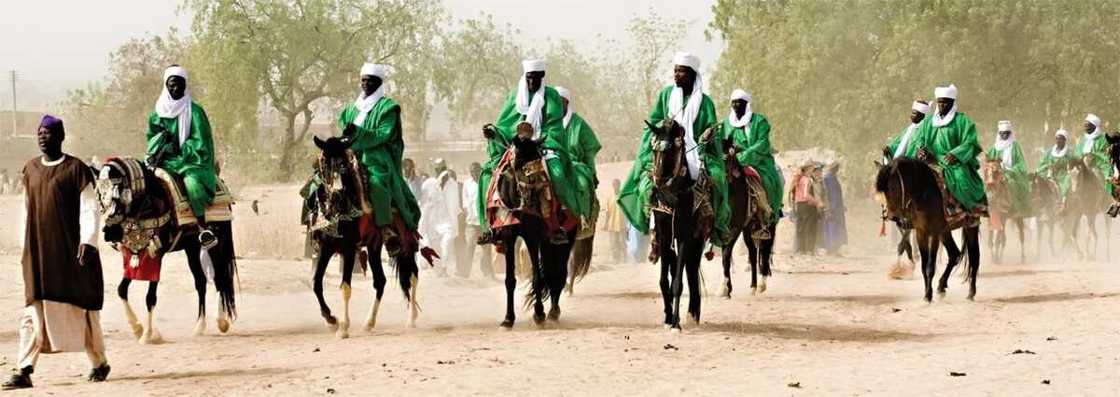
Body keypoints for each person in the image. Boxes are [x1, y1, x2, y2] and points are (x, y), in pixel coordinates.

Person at [4, 115, 109, 390]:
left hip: (72, 253)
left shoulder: (76, 169)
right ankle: (24, 369)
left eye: (48, 133)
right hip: (39, 253)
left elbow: (90, 208)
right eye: (39, 132)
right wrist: (24, 246)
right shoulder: (30, 169)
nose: (42, 137)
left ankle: (99, 362)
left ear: (60, 137)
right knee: (32, 310)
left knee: (85, 310)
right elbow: (27, 210)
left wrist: (88, 240)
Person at [616, 51, 730, 250]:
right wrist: (665, 127)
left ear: (692, 75)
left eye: (682, 72)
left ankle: (712, 226)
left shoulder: (705, 102)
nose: (676, 75)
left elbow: (711, 130)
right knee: (645, 184)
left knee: (718, 178)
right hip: (667, 149)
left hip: (697, 151)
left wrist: (707, 136)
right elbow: (653, 121)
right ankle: (653, 227)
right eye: (675, 71)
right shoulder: (666, 95)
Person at [478, 59, 582, 245]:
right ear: (525, 77)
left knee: (557, 174)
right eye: (529, 78)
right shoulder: (514, 96)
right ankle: (489, 227)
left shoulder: (551, 97)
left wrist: (538, 142)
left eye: (536, 78)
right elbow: (504, 125)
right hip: (516, 146)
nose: (532, 82)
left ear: (542, 77)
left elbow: (554, 128)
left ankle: (557, 222)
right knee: (487, 175)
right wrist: (494, 133)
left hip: (542, 147)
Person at [337, 63, 423, 254]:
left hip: (375, 157)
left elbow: (382, 134)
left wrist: (358, 132)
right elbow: (344, 126)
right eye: (363, 80)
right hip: (351, 154)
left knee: (377, 184)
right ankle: (320, 226)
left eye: (370, 80)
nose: (365, 84)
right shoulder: (351, 109)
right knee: (320, 179)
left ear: (378, 82)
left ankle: (385, 228)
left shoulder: (388, 108)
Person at [146, 65, 219, 247]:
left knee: (191, 185)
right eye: (172, 85)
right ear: (166, 85)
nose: (176, 88)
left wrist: (179, 149)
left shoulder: (194, 111)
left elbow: (201, 143)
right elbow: (151, 137)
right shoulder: (156, 114)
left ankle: (203, 227)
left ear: (185, 85)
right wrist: (161, 144)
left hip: (191, 161)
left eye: (180, 84)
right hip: (164, 159)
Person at [914, 84, 988, 222]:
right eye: (939, 102)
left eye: (945, 102)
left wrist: (956, 154)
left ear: (952, 103)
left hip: (953, 162)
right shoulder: (928, 122)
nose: (942, 105)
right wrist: (921, 150)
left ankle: (969, 212)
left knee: (962, 179)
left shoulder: (962, 120)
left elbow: (970, 142)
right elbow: (920, 139)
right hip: (930, 160)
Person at [721, 89, 783, 235]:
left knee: (771, 181)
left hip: (759, 162)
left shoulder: (759, 121)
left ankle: (768, 214)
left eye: (739, 102)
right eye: (733, 102)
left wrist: (743, 155)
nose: (736, 105)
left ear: (746, 104)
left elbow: (762, 143)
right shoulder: (726, 124)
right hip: (732, 163)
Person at [556, 86, 602, 236]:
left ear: (567, 103)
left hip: (574, 166)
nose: (557, 105)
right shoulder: (546, 121)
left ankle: (582, 218)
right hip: (550, 161)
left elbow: (589, 151)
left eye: (560, 102)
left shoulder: (578, 124)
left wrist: (592, 172)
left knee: (581, 183)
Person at [418, 158, 460, 277]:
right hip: (432, 222)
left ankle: (444, 268)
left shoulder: (452, 185)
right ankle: (436, 270)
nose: (440, 171)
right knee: (431, 248)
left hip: (447, 222)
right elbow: (423, 205)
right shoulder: (428, 184)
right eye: (438, 169)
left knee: (446, 243)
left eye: (442, 169)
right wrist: (423, 225)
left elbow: (454, 207)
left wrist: (454, 225)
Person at [985, 120, 1031, 219]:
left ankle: (1015, 209)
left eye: (1006, 133)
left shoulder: (1015, 146)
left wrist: (1010, 169)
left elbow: (1021, 163)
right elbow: (989, 158)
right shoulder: (995, 147)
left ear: (1010, 133)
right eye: (1002, 133)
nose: (1004, 135)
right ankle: (987, 208)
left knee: (1011, 184)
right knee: (987, 186)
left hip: (1010, 172)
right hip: (996, 173)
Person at [459, 162, 493, 279]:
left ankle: (488, 272)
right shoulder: (467, 184)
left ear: (480, 171)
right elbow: (465, 199)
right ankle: (465, 273)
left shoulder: (486, 182)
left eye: (476, 171)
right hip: (472, 222)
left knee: (486, 248)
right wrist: (466, 210)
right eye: (472, 172)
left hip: (484, 221)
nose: (474, 174)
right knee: (470, 247)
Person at [789, 162, 825, 255]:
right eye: (811, 169)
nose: (812, 171)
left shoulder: (798, 179)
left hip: (799, 205)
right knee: (810, 228)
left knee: (801, 228)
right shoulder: (807, 180)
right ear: (808, 170)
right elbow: (806, 195)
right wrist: (817, 202)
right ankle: (809, 250)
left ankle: (801, 250)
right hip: (807, 206)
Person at [1077, 113, 1113, 195]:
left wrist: (1094, 155)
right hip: (1083, 165)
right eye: (1085, 125)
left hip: (1099, 165)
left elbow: (1107, 154)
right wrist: (1082, 157)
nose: (1085, 127)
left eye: (1088, 125)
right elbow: (1077, 152)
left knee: (1107, 178)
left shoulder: (1103, 138)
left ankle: (1108, 196)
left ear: (1094, 126)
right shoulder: (1082, 140)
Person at [1037, 129, 1073, 202]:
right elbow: (1042, 163)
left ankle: (1063, 200)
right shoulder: (1049, 151)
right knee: (1038, 178)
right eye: (1057, 138)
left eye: (1060, 139)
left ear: (1065, 140)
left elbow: (1072, 163)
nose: (1058, 140)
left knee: (1067, 181)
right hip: (1049, 172)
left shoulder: (1069, 152)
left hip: (1063, 173)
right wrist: (1048, 167)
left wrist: (1061, 165)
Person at [820, 162, 848, 255]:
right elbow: (831, 195)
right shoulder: (830, 178)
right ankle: (832, 249)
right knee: (833, 228)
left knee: (832, 228)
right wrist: (831, 208)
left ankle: (831, 249)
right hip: (833, 209)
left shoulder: (831, 177)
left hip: (835, 207)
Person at [600, 179, 627, 264]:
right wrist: (606, 224)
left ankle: (624, 259)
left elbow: (627, 211)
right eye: (614, 185)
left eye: (616, 185)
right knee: (613, 243)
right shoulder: (609, 197)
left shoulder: (623, 196)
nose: (615, 187)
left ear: (619, 185)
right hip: (612, 223)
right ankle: (616, 259)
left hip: (622, 223)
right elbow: (607, 212)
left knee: (622, 242)